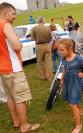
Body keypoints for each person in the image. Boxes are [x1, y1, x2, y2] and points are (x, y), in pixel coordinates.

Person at [0, 2, 40, 132]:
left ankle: (16, 122)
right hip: (13, 68)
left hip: (3, 68)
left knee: (10, 97)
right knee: (20, 98)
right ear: (5, 13)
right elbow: (17, 46)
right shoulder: (6, 25)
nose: (14, 17)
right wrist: (19, 44)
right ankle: (24, 126)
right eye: (13, 14)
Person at [57, 39, 83, 133]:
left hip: (75, 82)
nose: (59, 52)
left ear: (69, 49)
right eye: (59, 50)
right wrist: (62, 79)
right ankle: (80, 110)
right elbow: (65, 69)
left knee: (72, 103)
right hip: (67, 82)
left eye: (62, 50)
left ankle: (78, 125)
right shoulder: (64, 58)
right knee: (71, 99)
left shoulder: (78, 58)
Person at [31, 16, 53, 81]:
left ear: (38, 21)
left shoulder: (34, 28)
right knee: (48, 62)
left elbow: (32, 38)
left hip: (39, 46)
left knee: (40, 62)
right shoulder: (47, 28)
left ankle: (42, 76)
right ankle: (49, 76)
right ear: (43, 21)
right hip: (47, 45)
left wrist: (37, 38)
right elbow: (50, 38)